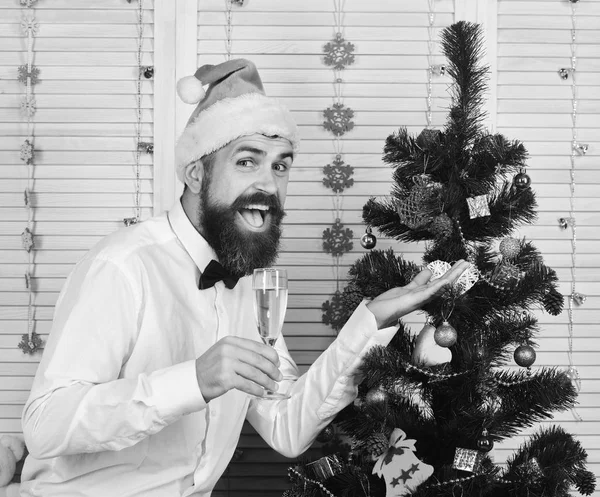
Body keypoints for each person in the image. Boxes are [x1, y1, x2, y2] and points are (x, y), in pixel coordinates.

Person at [19, 59, 469, 497]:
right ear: (196, 173)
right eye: (247, 161)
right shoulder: (122, 266)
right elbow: (44, 425)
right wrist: (193, 381)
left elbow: (286, 427)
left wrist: (371, 321)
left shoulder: (255, 284)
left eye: (280, 165)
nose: (270, 186)